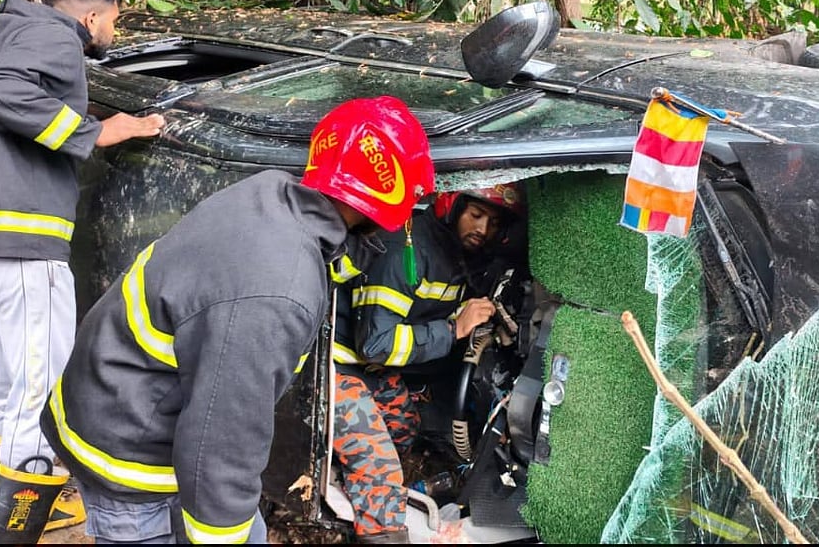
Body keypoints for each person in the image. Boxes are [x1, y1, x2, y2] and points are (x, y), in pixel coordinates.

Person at [35, 95, 434, 545]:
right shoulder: (276, 292)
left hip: (118, 401)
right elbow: (221, 440)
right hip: (129, 457)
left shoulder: (270, 194)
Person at [0, 0, 166, 543]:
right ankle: (11, 531)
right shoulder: (52, 36)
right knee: (42, 391)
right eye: (113, 20)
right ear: (91, 16)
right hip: (19, 243)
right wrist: (96, 133)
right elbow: (0, 90)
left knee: (7, 384)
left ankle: (15, 502)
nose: (112, 31)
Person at [330, 183, 526, 543]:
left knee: (404, 429)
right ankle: (381, 528)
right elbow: (375, 345)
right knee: (379, 471)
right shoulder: (404, 248)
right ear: (452, 206)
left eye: (495, 223)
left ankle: (352, 484)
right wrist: (454, 330)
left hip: (372, 371)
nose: (483, 229)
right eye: (476, 215)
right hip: (337, 366)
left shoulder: (459, 255)